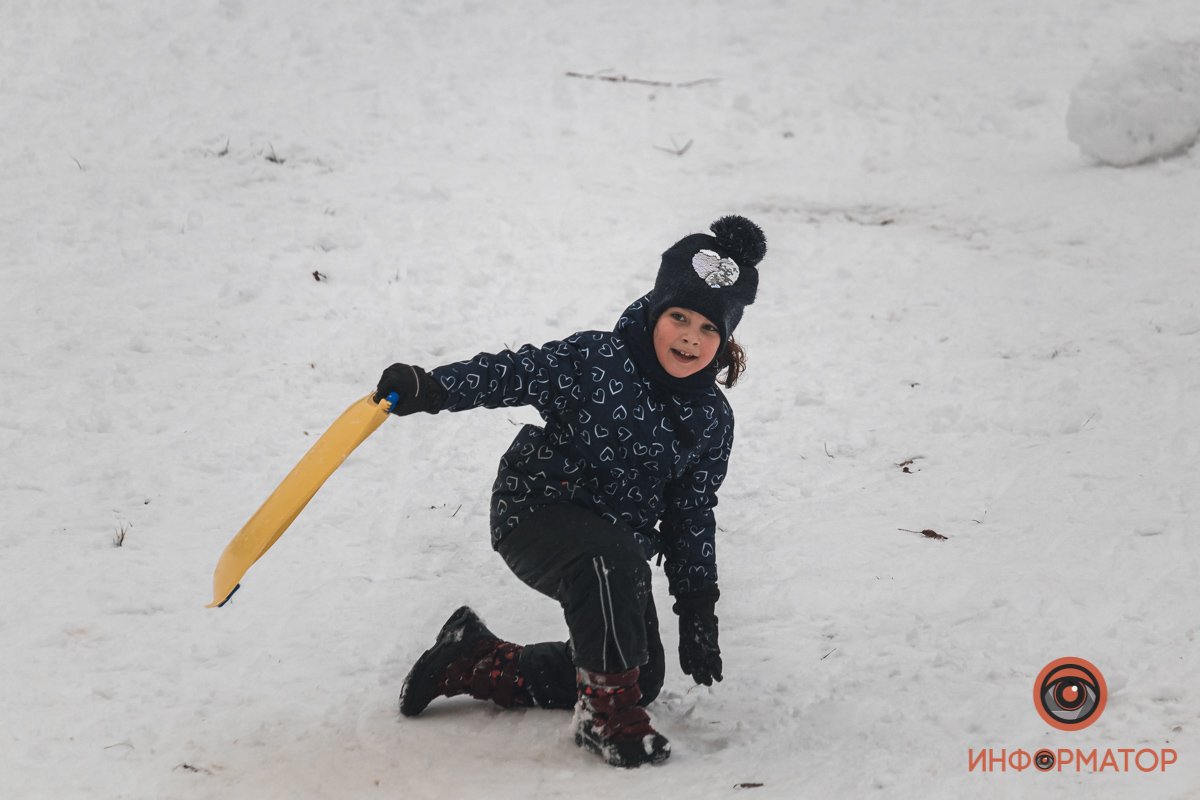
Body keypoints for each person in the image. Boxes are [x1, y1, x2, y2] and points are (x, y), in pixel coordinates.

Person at [374, 215, 766, 768]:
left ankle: (472, 659)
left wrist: (698, 607)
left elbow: (691, 514)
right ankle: (604, 716)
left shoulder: (710, 419)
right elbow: (512, 373)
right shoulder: (595, 360)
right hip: (537, 508)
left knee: (641, 674)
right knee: (609, 566)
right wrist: (433, 387)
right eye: (679, 317)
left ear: (724, 341)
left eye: (708, 329)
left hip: (616, 548)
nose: (690, 337)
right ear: (655, 310)